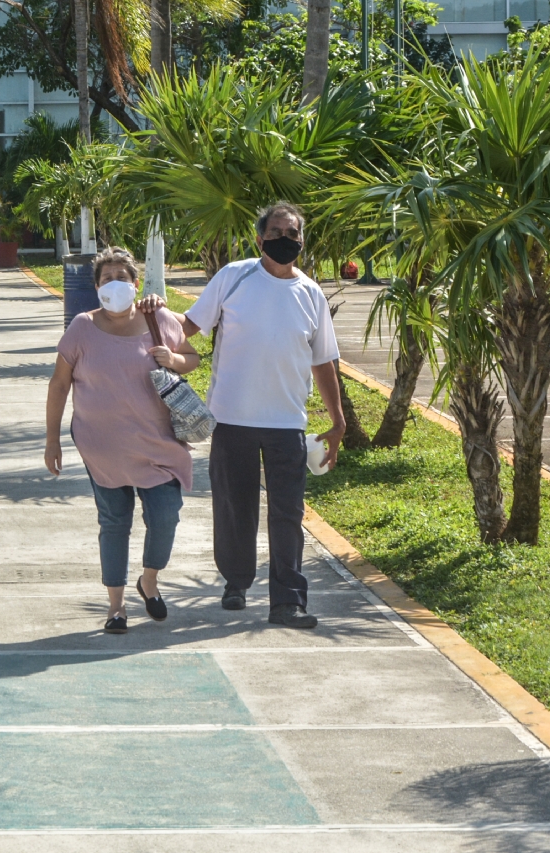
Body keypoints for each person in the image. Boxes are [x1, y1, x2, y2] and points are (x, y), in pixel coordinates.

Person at [167, 201, 345, 630]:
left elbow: (324, 362)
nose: (286, 240)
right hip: (231, 418)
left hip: (287, 422)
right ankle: (236, 581)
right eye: (278, 233)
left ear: (302, 241)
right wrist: (148, 313)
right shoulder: (234, 276)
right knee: (234, 508)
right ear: (260, 238)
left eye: (294, 234)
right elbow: (187, 327)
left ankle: (288, 602)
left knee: (288, 513)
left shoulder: (311, 293)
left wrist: (338, 421)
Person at [45, 248, 200, 633]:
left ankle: (149, 581)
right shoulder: (82, 326)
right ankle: (116, 607)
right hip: (102, 447)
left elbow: (192, 358)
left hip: (159, 443)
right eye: (105, 278)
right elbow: (59, 383)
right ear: (96, 287)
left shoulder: (158, 317)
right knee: (114, 523)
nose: (114, 283)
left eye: (121, 276)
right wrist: (52, 439)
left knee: (165, 516)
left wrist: (174, 360)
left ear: (135, 283)